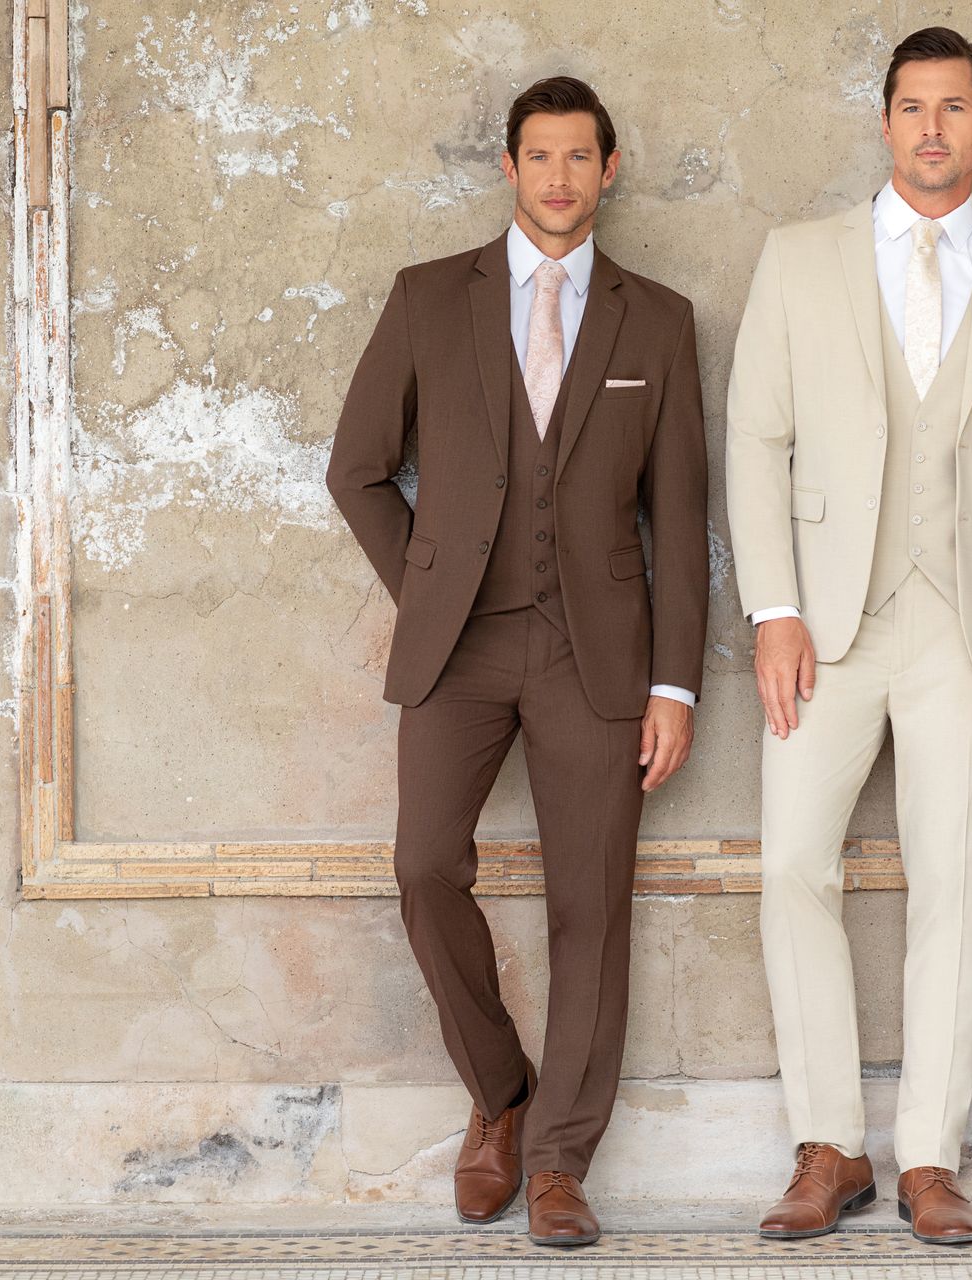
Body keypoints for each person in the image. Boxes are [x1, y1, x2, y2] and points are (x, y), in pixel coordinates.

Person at [325, 75, 709, 1248]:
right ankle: (499, 1093)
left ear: (610, 168)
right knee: (424, 862)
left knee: (591, 904)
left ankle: (558, 1161)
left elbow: (682, 521)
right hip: (461, 648)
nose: (557, 179)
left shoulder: (659, 320)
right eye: (538, 157)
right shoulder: (432, 297)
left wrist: (676, 684)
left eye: (578, 158)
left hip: (597, 653)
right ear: (509, 167)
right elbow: (357, 466)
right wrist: (429, 585)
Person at [724, 26, 972, 1246]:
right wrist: (772, 608)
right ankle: (830, 1144)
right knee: (791, 870)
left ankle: (930, 1154)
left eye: (955, 108)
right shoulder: (799, 258)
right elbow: (755, 440)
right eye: (912, 107)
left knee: (955, 889)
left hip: (968, 629)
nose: (932, 128)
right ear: (885, 125)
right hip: (823, 625)